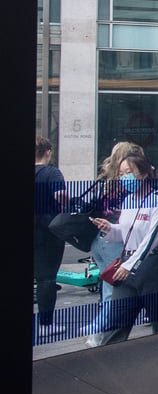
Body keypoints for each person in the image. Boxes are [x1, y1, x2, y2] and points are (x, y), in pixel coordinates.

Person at [86, 153, 158, 346]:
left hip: (153, 266)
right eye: (121, 173)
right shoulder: (128, 201)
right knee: (116, 322)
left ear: (143, 174)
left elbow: (152, 238)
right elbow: (126, 233)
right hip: (127, 265)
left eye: (129, 172)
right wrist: (110, 229)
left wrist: (130, 265)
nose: (124, 177)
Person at [34, 135, 67, 338]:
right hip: (47, 231)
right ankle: (45, 325)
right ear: (48, 152)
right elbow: (61, 197)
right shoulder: (52, 173)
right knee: (46, 278)